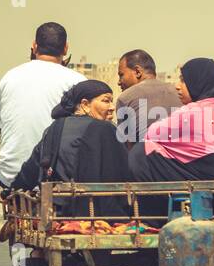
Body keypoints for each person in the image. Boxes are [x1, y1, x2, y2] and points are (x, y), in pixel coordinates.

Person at [10, 80, 130, 217]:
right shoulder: (107, 129)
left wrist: (10, 192)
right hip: (96, 214)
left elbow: (31, 168)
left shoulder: (54, 129)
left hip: (57, 214)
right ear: (85, 104)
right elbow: (124, 172)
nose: (112, 107)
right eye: (106, 101)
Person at [129, 57, 214, 182]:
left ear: (199, 83)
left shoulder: (193, 112)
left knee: (141, 151)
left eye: (183, 80)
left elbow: (152, 133)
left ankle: (152, 204)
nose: (177, 86)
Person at [0, 22, 87, 189]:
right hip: (57, 180)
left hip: (10, 176)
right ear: (65, 49)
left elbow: (1, 128)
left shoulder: (9, 78)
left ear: (34, 46)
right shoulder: (78, 82)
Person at [114, 49, 182, 150]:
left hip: (146, 162)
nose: (119, 82)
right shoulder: (179, 94)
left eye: (121, 75)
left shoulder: (125, 98)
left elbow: (126, 148)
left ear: (137, 72)